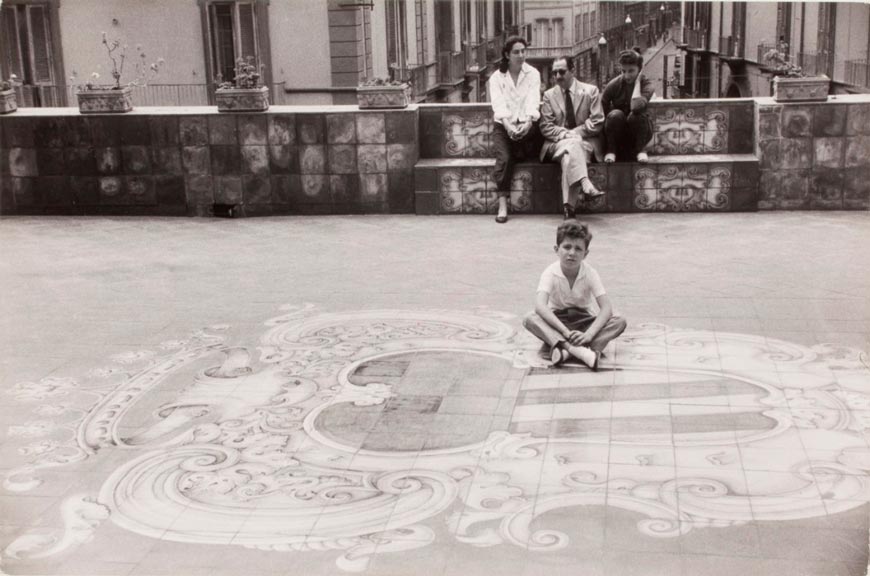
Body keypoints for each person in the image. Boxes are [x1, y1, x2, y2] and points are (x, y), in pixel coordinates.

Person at [523, 220, 627, 371]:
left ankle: (564, 349)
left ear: (586, 254)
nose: (572, 253)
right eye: (567, 247)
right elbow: (540, 306)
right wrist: (564, 331)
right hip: (558, 323)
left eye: (578, 249)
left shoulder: (590, 273)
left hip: (584, 322)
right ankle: (580, 351)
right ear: (556, 249)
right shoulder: (550, 272)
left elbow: (606, 308)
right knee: (529, 318)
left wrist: (589, 334)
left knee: (619, 321)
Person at [539, 55, 605, 220]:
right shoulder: (548, 95)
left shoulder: (590, 91)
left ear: (572, 71)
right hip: (557, 144)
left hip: (585, 143)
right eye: (554, 73)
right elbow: (546, 127)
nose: (557, 76)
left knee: (569, 156)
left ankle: (569, 211)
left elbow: (597, 121)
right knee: (573, 145)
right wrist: (565, 134)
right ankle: (585, 183)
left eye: (562, 71)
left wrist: (573, 133)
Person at [488, 35, 542, 224]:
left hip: (527, 124)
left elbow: (533, 100)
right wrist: (509, 126)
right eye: (516, 52)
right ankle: (503, 204)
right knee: (505, 158)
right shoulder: (496, 78)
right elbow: (498, 104)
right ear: (507, 55)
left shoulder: (533, 74)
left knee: (533, 152)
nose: (521, 55)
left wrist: (527, 123)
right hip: (504, 126)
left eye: (523, 51)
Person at [601, 47, 654, 163]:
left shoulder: (647, 84)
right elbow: (602, 106)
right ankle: (611, 151)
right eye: (623, 71)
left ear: (640, 70)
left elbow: (635, 106)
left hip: (639, 133)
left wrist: (638, 82)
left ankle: (641, 151)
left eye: (631, 71)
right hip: (619, 134)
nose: (626, 76)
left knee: (636, 115)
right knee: (615, 114)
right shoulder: (614, 84)